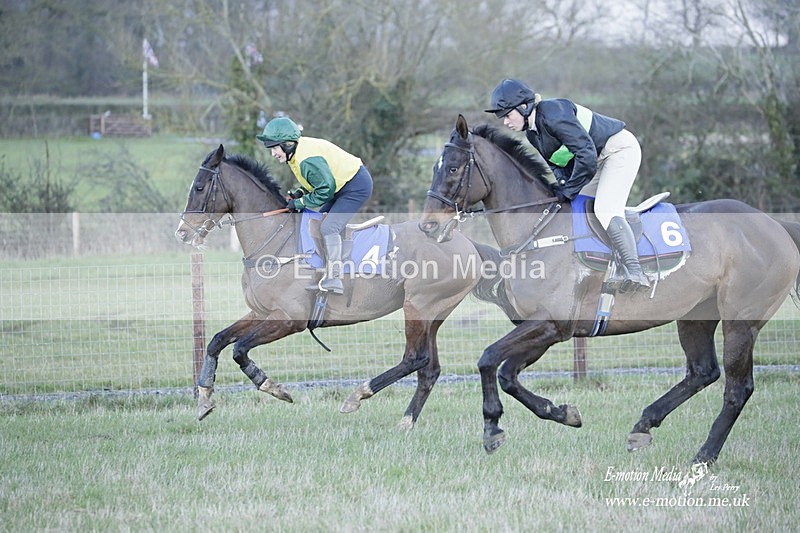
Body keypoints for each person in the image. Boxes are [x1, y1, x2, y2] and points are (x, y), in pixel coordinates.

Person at [485, 78, 650, 292]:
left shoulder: (554, 113)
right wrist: (560, 189)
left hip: (618, 151)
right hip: (594, 159)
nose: (506, 122)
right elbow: (558, 165)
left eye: (507, 115)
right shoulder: (533, 133)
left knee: (605, 209)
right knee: (576, 210)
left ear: (524, 107)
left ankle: (635, 271)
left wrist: (569, 189)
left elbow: (586, 155)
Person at [256, 116, 373, 294]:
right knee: (315, 225)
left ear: (288, 144)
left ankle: (335, 278)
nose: (273, 154)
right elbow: (316, 181)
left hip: (355, 186)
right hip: (339, 186)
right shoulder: (296, 153)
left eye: (274, 148)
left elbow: (326, 189)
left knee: (329, 228)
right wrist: (300, 193)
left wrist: (300, 202)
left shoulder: (305, 159)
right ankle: (323, 272)